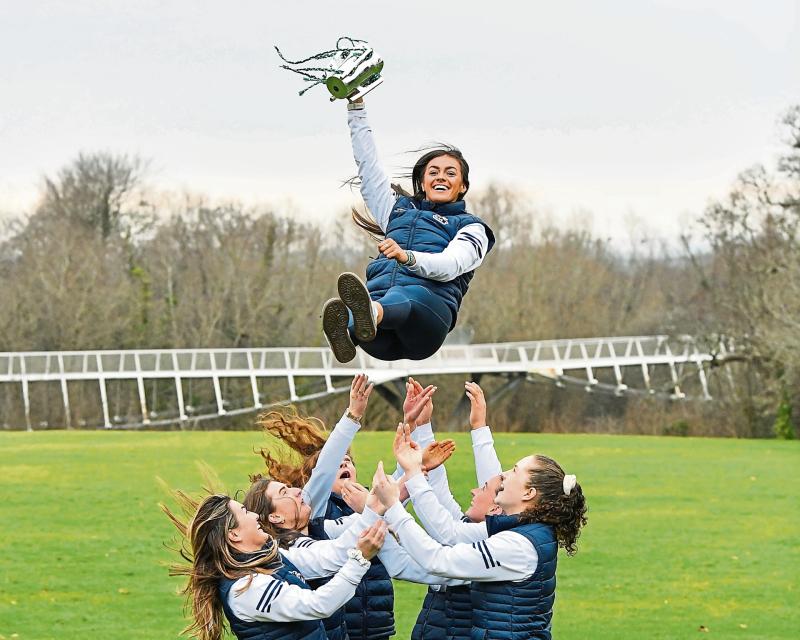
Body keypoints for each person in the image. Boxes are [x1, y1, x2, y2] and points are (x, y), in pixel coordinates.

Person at [246, 379, 435, 640]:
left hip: (377, 621)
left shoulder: (358, 503)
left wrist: (411, 433)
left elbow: (390, 496)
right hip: (344, 624)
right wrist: (352, 416)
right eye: (339, 464)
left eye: (349, 461)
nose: (344, 463)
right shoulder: (318, 516)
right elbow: (329, 470)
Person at [372, 424, 588, 640]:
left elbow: (438, 560)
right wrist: (413, 475)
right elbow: (451, 534)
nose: (503, 475)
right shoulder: (523, 530)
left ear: (529, 493)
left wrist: (392, 504)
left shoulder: (518, 545)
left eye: (513, 471)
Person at [321, 97, 496, 363]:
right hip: (379, 340)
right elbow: (368, 169)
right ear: (423, 182)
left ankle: (361, 317)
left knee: (405, 294)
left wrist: (407, 257)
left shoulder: (471, 227)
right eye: (433, 172)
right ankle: (351, 329)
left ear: (462, 186)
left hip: (425, 325)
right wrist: (356, 108)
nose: (440, 177)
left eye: (450, 173)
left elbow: (450, 264)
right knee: (385, 297)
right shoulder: (396, 211)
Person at [165, 493, 386, 640]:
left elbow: (329, 556)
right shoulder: (247, 589)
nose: (254, 514)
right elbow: (320, 604)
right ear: (234, 534)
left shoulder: (269, 557)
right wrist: (360, 560)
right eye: (244, 511)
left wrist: (374, 510)